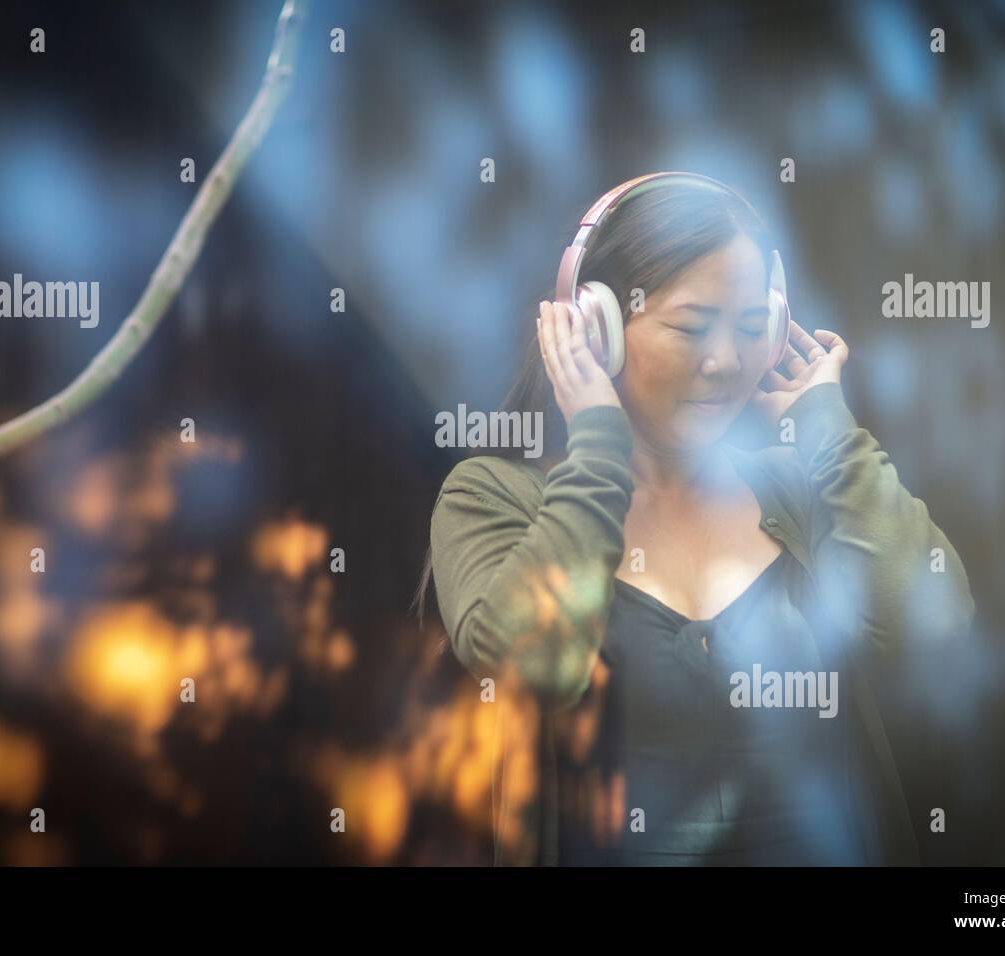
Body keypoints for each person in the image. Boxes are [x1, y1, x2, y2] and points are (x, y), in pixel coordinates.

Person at [415, 175, 976, 866]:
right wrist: (598, 442)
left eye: (750, 330)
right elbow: (537, 665)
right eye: (690, 326)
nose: (726, 362)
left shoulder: (799, 489)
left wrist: (829, 432)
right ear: (597, 329)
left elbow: (938, 625)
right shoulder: (493, 497)